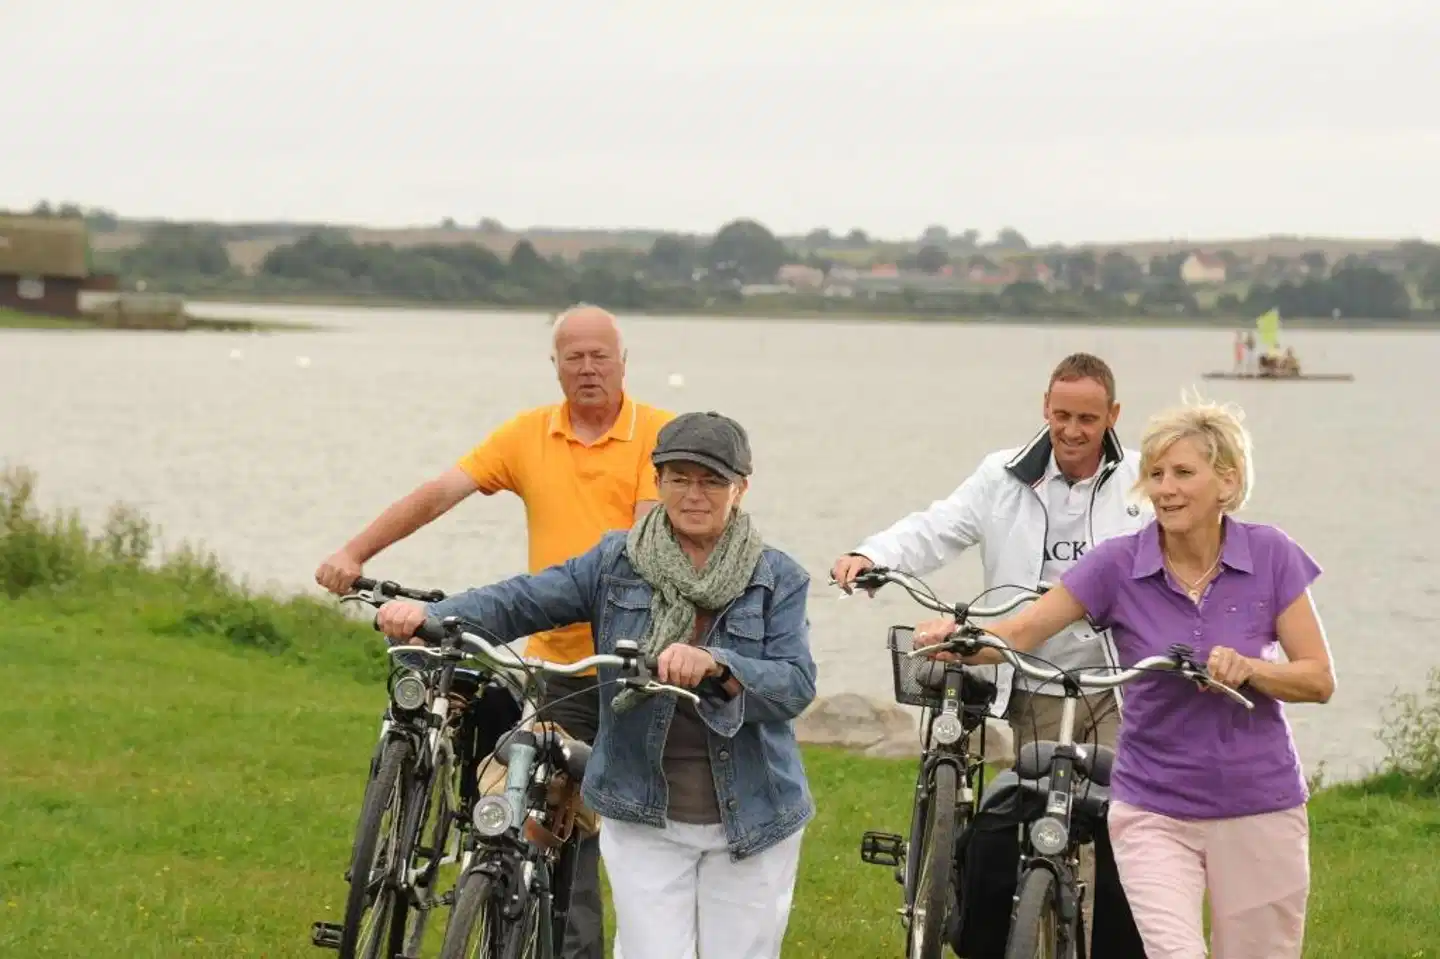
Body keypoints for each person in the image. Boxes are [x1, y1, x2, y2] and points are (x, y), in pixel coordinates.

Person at [376, 411, 817, 959]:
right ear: (658, 483)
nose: (694, 494)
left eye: (712, 481)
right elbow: (524, 599)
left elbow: (794, 686)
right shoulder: (617, 560)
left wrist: (716, 665)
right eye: (679, 478)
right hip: (642, 809)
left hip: (754, 815)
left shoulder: (778, 577)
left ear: (741, 489)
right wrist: (433, 615)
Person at [914, 396, 1335, 958]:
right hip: (1153, 806)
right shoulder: (1118, 563)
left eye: (1184, 473)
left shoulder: (1272, 554)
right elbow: (1023, 631)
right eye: (1156, 474)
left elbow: (1318, 679)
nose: (1165, 488)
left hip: (1259, 803)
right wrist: (961, 640)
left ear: (1227, 484)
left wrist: (1252, 669)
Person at [315, 304, 672, 959]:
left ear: (625, 360)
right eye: (574, 356)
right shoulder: (529, 435)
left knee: (601, 842)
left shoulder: (658, 435)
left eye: (600, 355)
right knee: (530, 824)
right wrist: (354, 553)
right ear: (556, 365)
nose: (588, 367)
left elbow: (639, 550)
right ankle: (510, 919)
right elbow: (438, 493)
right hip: (555, 668)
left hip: (629, 669)